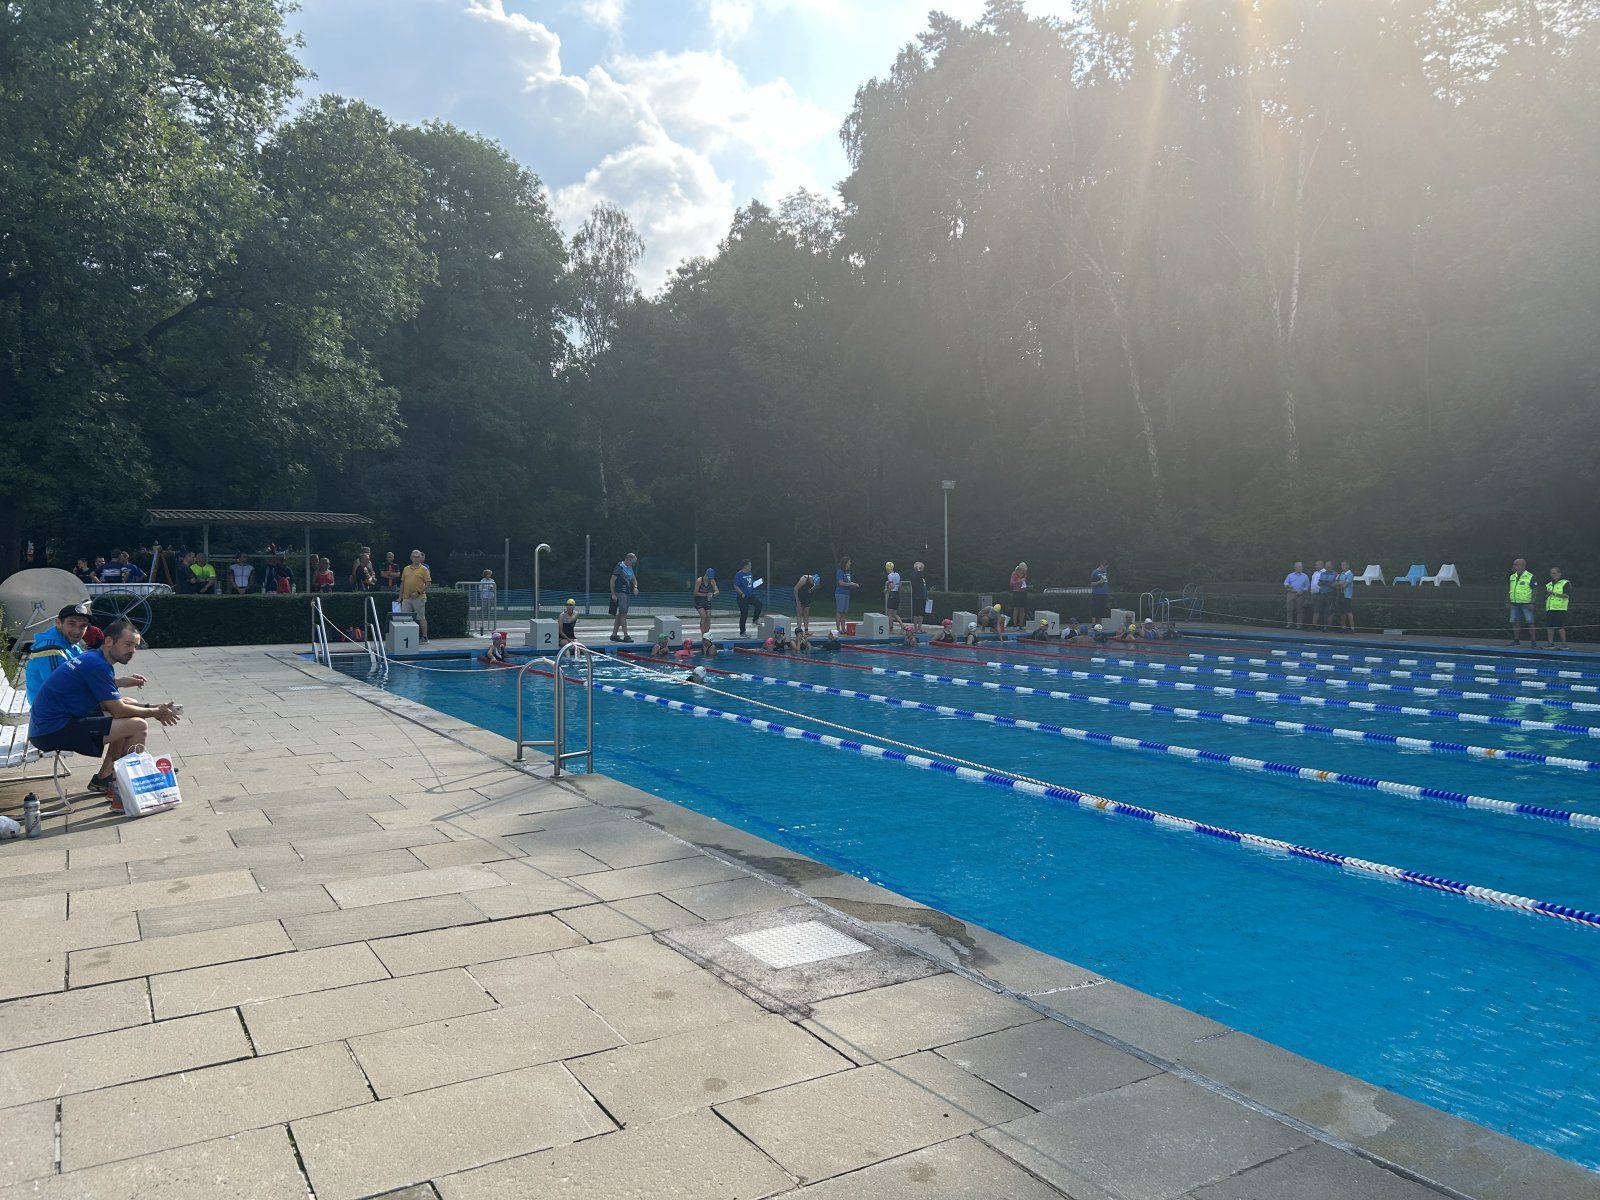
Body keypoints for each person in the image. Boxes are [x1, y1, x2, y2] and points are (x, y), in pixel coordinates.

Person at [27, 618, 176, 809]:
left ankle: (108, 778)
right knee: (138, 725)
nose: (132, 651)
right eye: (128, 644)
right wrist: (155, 712)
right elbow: (118, 710)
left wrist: (152, 707)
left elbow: (117, 705)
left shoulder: (94, 658)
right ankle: (125, 791)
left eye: (135, 646)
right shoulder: (98, 665)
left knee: (129, 706)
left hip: (51, 724)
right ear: (109, 641)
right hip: (51, 731)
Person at [24, 602, 90, 701]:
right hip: (51, 709)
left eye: (83, 626)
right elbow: (61, 692)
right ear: (58, 623)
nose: (77, 631)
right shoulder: (51, 650)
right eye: (72, 624)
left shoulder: (70, 644)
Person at [400, 549, 432, 643]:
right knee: (404, 618)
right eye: (414, 556)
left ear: (420, 558)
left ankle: (424, 637)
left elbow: (428, 583)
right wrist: (400, 597)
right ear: (411, 558)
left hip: (419, 597)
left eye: (417, 557)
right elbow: (402, 583)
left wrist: (418, 592)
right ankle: (405, 638)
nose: (416, 558)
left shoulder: (424, 569)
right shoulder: (406, 568)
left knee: (421, 618)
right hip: (406, 597)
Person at [610, 552, 639, 642]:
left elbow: (634, 579)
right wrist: (613, 594)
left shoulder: (629, 567)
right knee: (623, 614)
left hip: (627, 593)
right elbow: (612, 581)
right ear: (628, 560)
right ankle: (626, 635)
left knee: (621, 614)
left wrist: (635, 587)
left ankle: (614, 634)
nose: (633, 564)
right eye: (633, 562)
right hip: (620, 592)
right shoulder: (619, 567)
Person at [1508, 557, 1536, 646]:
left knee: (1530, 622)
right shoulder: (1512, 576)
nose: (1514, 566)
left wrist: (1532, 602)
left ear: (1522, 565)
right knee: (1515, 622)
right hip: (1514, 603)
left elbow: (1535, 590)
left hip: (1526, 603)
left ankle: (1533, 642)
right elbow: (1511, 589)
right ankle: (1516, 641)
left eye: (1515, 564)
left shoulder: (1530, 576)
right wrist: (1508, 601)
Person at [733, 560, 763, 637]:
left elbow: (751, 584)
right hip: (742, 597)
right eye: (749, 565)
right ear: (745, 566)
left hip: (749, 595)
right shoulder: (739, 574)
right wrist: (741, 593)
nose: (751, 567)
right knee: (744, 613)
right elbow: (735, 585)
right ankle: (742, 632)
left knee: (759, 604)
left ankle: (755, 619)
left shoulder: (750, 573)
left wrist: (758, 582)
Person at [1544, 567, 1571, 649]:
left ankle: (1564, 645)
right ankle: (1550, 643)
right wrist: (1547, 595)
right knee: (1549, 626)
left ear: (1559, 574)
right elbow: (1546, 596)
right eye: (1551, 573)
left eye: (1554, 573)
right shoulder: (1548, 584)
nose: (1552, 575)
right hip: (1550, 608)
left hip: (1560, 608)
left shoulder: (1565, 583)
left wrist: (1554, 593)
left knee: (1560, 627)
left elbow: (1566, 595)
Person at [834, 557, 858, 634]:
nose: (850, 563)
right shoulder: (840, 571)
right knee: (839, 611)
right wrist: (850, 584)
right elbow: (840, 583)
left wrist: (853, 585)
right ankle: (838, 629)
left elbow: (848, 582)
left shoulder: (847, 572)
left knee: (844, 612)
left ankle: (843, 629)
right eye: (849, 562)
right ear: (845, 563)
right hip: (840, 593)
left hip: (847, 593)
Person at [1283, 561, 1310, 629]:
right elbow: (1285, 583)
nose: (1300, 568)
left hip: (1300, 594)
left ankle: (1299, 625)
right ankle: (1289, 624)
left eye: (1301, 566)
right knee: (1289, 609)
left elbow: (1307, 586)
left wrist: (1302, 591)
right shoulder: (1290, 575)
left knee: (1300, 610)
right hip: (1290, 593)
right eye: (1299, 566)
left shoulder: (1305, 576)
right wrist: (1288, 585)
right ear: (1295, 567)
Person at [692, 567, 718, 636]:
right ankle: (703, 634)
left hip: (707, 601)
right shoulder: (699, 581)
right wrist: (705, 595)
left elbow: (717, 591)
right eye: (708, 578)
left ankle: (707, 634)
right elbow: (695, 593)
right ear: (706, 575)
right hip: (699, 601)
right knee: (703, 616)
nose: (709, 579)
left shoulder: (712, 581)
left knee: (708, 617)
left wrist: (713, 594)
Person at [910, 561, 930, 633]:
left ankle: (920, 628)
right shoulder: (914, 574)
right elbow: (915, 579)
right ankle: (915, 628)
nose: (922, 569)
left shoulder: (922, 575)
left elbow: (924, 586)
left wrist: (926, 595)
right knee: (916, 613)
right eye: (921, 567)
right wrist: (918, 569)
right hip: (917, 596)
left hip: (923, 596)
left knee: (921, 613)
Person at [1336, 561, 1356, 632]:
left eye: (1344, 565)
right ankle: (1343, 627)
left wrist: (1340, 583)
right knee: (1342, 612)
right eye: (1342, 565)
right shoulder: (1341, 574)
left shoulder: (1350, 574)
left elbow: (1345, 585)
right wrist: (1341, 582)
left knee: (1348, 611)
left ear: (1348, 566)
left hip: (1347, 596)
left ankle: (1352, 628)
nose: (1342, 567)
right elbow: (1336, 584)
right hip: (1340, 595)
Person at [1009, 563, 1030, 630]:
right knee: (1016, 608)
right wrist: (1019, 581)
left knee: (1022, 608)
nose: (1024, 571)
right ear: (1020, 569)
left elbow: (1025, 583)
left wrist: (1026, 586)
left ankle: (1021, 625)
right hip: (1016, 592)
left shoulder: (1025, 574)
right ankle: (1015, 625)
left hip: (1023, 592)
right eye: (1023, 570)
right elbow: (1011, 583)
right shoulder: (1014, 573)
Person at [884, 561, 903, 631]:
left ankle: (891, 629)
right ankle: (902, 625)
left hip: (892, 594)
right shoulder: (897, 574)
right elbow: (900, 585)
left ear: (887, 568)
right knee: (895, 614)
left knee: (890, 614)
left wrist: (886, 590)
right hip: (897, 594)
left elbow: (891, 586)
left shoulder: (890, 575)